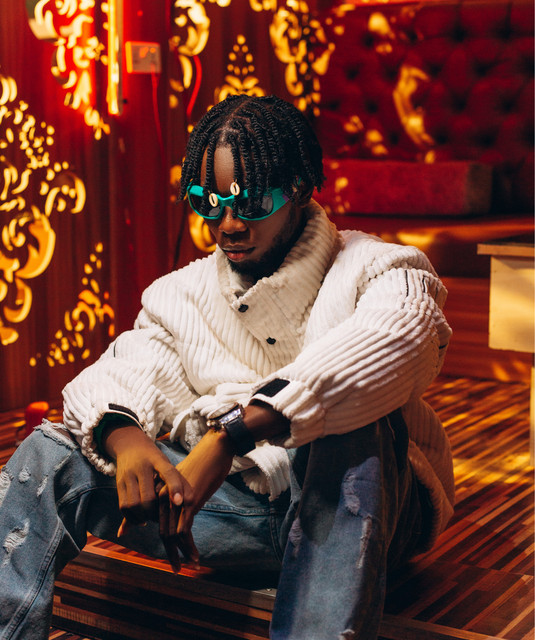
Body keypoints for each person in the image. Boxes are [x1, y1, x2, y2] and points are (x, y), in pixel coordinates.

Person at [0, 94, 454, 640]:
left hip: (371, 516)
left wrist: (230, 435)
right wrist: (123, 437)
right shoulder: (180, 294)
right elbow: (124, 369)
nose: (229, 225)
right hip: (233, 515)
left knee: (354, 427)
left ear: (301, 189)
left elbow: (393, 344)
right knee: (51, 453)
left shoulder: (383, 267)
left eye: (251, 203)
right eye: (209, 203)